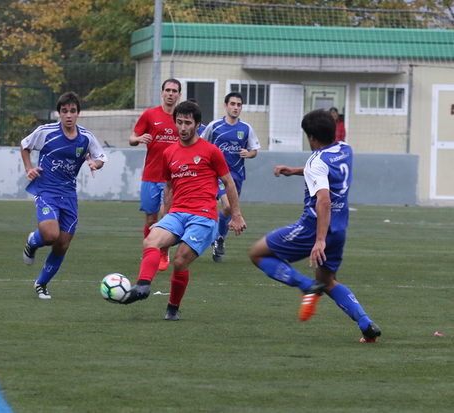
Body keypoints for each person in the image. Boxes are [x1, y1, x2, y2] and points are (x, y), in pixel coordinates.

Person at [248, 109, 381, 343]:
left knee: (257, 254)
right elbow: (321, 172)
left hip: (312, 229)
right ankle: (365, 324)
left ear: (310, 137)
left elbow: (323, 198)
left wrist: (318, 240)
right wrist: (295, 170)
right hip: (338, 231)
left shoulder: (315, 162)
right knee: (329, 282)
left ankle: (307, 286)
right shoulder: (344, 149)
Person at [122, 101, 247, 320]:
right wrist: (166, 217)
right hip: (177, 214)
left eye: (188, 123)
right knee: (151, 239)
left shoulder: (211, 151)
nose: (183, 127)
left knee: (180, 261)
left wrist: (235, 215)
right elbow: (168, 186)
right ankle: (142, 285)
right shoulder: (169, 153)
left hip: (203, 217)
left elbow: (229, 182)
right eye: (179, 122)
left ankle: (172, 308)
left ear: (197, 124)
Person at [21, 92, 107, 299]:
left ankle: (41, 284)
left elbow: (101, 157)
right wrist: (29, 168)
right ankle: (33, 241)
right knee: (50, 235)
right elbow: (25, 145)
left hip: (68, 195)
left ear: (78, 113)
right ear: (59, 113)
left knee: (62, 245)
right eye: (64, 111)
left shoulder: (86, 137)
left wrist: (96, 164)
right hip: (46, 191)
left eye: (73, 111)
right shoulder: (46, 132)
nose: (68, 115)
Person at [128, 79, 182, 272]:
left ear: (179, 95)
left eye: (174, 91)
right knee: (150, 220)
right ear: (162, 93)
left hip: (172, 180)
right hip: (150, 176)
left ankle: (163, 250)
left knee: (166, 217)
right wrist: (139, 138)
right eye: (167, 90)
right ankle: (150, 250)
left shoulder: (181, 118)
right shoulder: (150, 115)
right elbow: (132, 139)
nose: (170, 93)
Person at [200, 91, 260, 263]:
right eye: (232, 104)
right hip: (217, 175)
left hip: (237, 176)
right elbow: (202, 145)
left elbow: (254, 150)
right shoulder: (214, 126)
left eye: (239, 105)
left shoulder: (246, 128)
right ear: (226, 106)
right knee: (227, 206)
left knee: (228, 210)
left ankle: (219, 239)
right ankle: (211, 235)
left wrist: (249, 153)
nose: (236, 107)